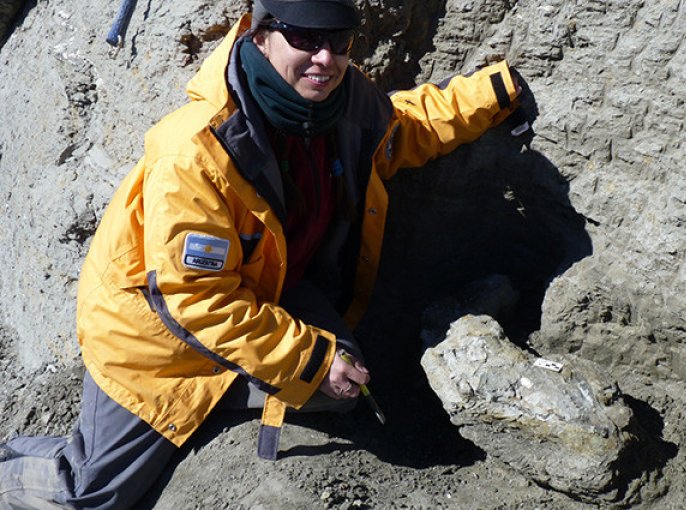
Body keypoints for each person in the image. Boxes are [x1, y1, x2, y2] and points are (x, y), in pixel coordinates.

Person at [0, 0, 522, 508]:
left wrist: (493, 93)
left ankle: (229, 395)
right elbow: (198, 298)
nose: (325, 58)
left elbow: (403, 130)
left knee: (343, 386)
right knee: (90, 493)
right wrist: (309, 358)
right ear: (260, 35)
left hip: (270, 289)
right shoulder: (197, 153)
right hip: (156, 339)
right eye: (305, 39)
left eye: (338, 42)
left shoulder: (337, 102)